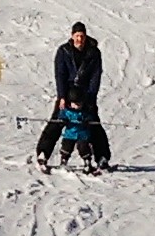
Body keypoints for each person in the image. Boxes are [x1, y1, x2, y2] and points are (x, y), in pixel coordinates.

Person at [35, 22, 111, 171]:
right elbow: (60, 75)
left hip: (86, 96)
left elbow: (95, 77)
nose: (79, 39)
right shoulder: (64, 51)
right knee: (56, 123)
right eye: (77, 36)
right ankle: (43, 153)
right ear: (72, 36)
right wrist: (62, 96)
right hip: (67, 94)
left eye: (82, 36)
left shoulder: (94, 53)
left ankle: (102, 157)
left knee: (93, 124)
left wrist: (90, 97)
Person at [56, 105, 95, 171]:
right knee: (67, 147)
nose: (77, 106)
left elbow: (90, 116)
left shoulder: (85, 111)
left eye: (79, 104)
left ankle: (87, 162)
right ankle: (64, 160)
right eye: (74, 104)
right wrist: (62, 120)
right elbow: (61, 116)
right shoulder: (67, 111)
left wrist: (87, 120)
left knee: (83, 148)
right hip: (70, 134)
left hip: (82, 134)